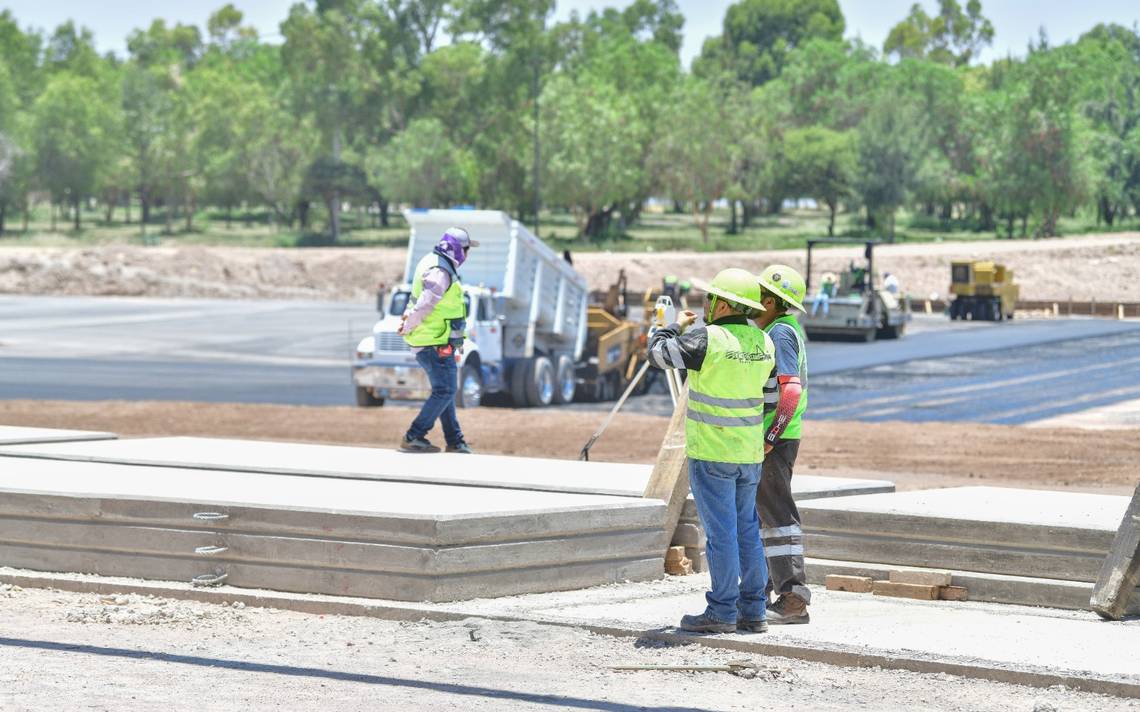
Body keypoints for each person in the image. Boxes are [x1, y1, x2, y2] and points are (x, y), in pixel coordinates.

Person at [647, 268, 776, 634]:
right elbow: (771, 399)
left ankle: (721, 610)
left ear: (722, 303)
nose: (705, 304)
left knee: (721, 534)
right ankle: (754, 610)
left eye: (709, 299)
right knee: (747, 530)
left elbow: (657, 356)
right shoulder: (763, 342)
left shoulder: (708, 340)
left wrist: (671, 326)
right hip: (748, 455)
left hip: (712, 453)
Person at [754, 265, 811, 625]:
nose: (752, 302)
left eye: (759, 296)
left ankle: (792, 597)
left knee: (778, 518)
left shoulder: (781, 334)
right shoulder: (777, 330)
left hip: (776, 439)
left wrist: (770, 437)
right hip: (773, 437)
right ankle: (763, 591)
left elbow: (791, 390)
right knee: (764, 517)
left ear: (774, 301)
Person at [397, 227, 478, 454]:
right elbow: (425, 303)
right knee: (446, 389)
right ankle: (414, 435)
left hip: (435, 339)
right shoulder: (440, 271)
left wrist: (408, 322)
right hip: (434, 340)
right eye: (466, 249)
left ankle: (455, 441)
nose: (467, 255)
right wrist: (408, 324)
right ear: (457, 249)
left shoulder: (433, 262)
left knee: (445, 391)